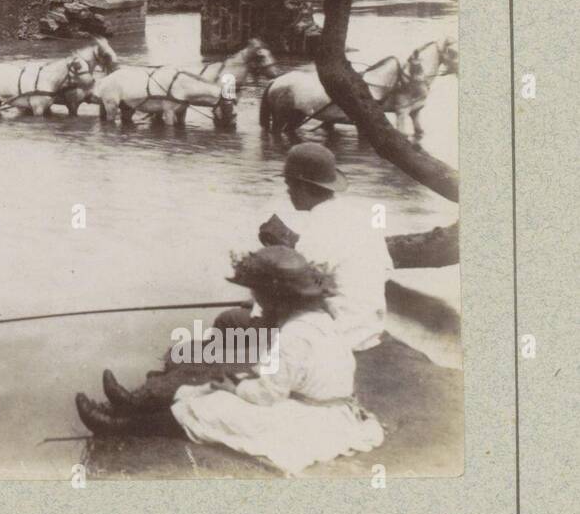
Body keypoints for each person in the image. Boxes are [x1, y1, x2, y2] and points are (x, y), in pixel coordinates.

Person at [75, 247, 384, 475]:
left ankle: (122, 426)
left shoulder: (294, 336)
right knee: (209, 390)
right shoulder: (318, 320)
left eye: (259, 296)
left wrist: (236, 389)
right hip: (321, 405)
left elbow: (268, 395)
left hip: (317, 420)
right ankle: (129, 406)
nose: (256, 304)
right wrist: (239, 383)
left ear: (276, 298)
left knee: (210, 407)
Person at [269, 143, 393, 352]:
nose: (287, 191)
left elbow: (298, 288)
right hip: (371, 326)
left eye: (288, 183)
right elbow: (386, 272)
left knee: (233, 321)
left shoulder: (317, 231)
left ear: (301, 186)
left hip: (340, 334)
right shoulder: (360, 216)